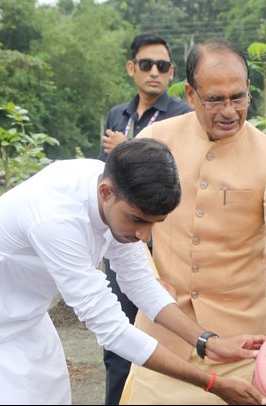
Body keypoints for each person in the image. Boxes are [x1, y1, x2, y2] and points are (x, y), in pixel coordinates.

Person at [0, 138, 266, 405]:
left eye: (155, 224)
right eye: (138, 220)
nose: (144, 236)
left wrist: (205, 341)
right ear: (106, 193)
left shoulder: (113, 188)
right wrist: (212, 383)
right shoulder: (56, 219)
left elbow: (140, 282)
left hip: (26, 321)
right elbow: (113, 331)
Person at [120, 39, 266, 404]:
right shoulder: (155, 141)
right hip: (164, 339)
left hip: (239, 349)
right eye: (215, 100)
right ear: (190, 94)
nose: (229, 111)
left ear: (249, 90)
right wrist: (146, 275)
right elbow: (125, 228)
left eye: (238, 98)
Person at [97, 31, 192, 406]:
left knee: (157, 339)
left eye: (164, 66)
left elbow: (176, 186)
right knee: (115, 341)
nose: (155, 72)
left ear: (172, 74)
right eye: (147, 64)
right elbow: (107, 180)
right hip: (119, 239)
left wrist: (127, 149)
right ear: (131, 67)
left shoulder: (182, 117)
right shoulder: (116, 114)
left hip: (159, 247)